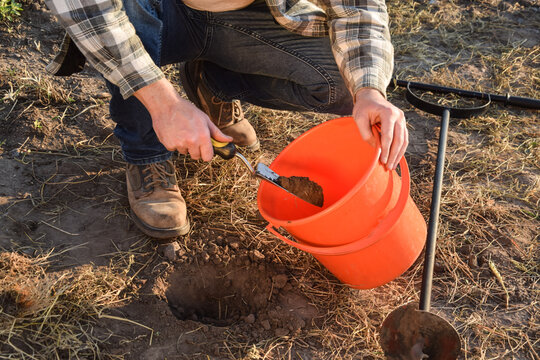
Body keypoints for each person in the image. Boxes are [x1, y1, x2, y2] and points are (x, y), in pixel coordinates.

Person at [44, 0, 408, 239]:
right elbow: (89, 10)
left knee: (344, 85)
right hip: (150, 10)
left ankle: (212, 82)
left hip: (245, 16)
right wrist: (164, 103)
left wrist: (369, 92)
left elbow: (359, 7)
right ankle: (147, 156)